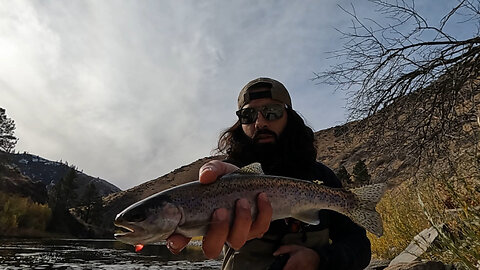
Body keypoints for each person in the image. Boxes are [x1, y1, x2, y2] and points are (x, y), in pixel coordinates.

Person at [166, 77, 371, 269]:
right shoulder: (223, 181)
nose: (260, 123)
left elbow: (360, 247)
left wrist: (319, 260)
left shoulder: (322, 177)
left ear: (289, 117)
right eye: (248, 115)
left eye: (272, 112)